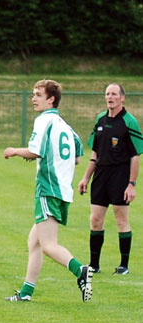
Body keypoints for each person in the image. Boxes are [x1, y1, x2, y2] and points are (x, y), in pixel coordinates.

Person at [3, 79, 93, 302]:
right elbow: (77, 157)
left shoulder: (44, 121)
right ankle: (26, 292)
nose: (33, 99)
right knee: (34, 241)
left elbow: (35, 151)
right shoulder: (66, 126)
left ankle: (80, 270)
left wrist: (15, 151)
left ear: (51, 99)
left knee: (49, 245)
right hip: (63, 190)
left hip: (47, 188)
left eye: (38, 95)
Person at [78, 83, 143, 275]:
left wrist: (131, 184)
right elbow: (95, 152)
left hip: (120, 176)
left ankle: (123, 266)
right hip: (101, 175)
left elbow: (135, 155)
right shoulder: (100, 119)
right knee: (95, 220)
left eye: (114, 94)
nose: (110, 97)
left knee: (121, 220)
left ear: (122, 98)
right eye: (107, 94)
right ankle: (94, 266)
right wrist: (85, 178)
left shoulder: (129, 122)